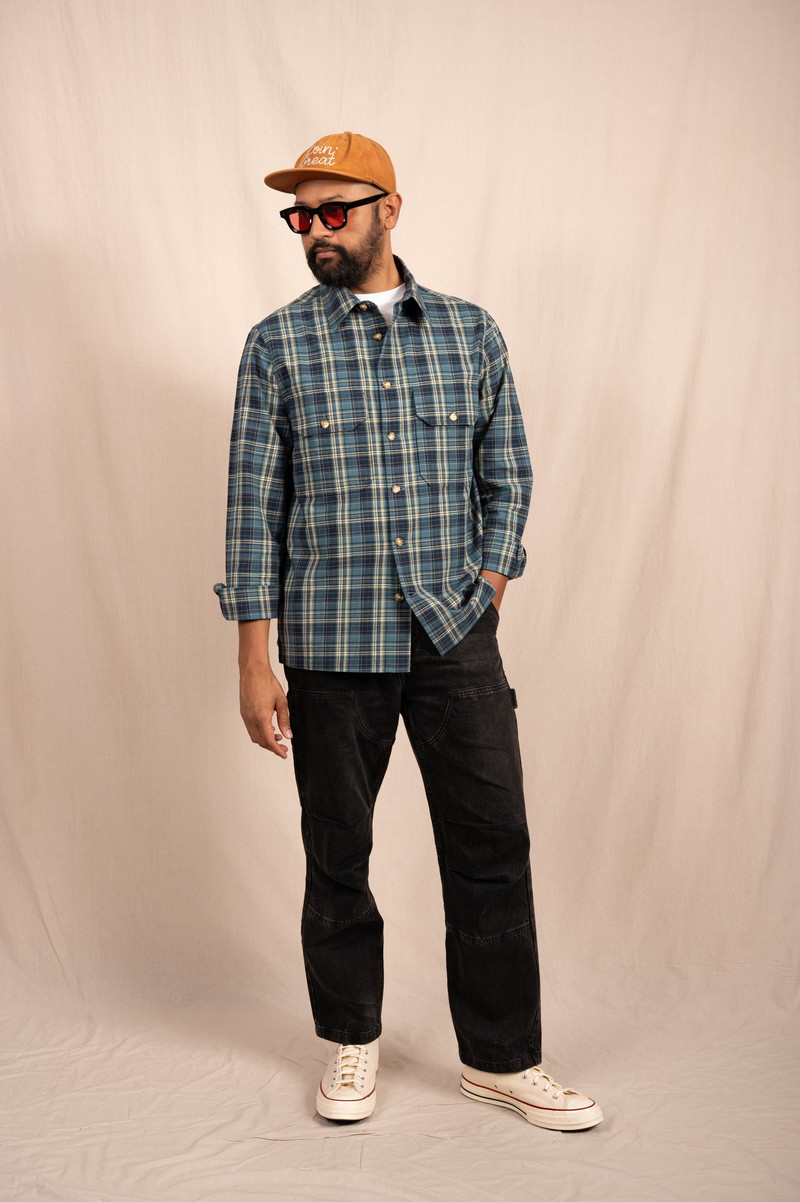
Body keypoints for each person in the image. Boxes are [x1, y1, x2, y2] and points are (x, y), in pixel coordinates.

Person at [214, 132, 603, 1131]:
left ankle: (502, 1058)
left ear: (389, 209)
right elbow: (253, 507)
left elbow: (506, 475)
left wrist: (486, 590)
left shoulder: (470, 333)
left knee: (491, 843)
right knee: (337, 849)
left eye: (332, 210)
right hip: (329, 640)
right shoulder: (276, 344)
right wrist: (253, 659)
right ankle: (351, 1041)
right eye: (300, 215)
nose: (314, 230)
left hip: (454, 633)